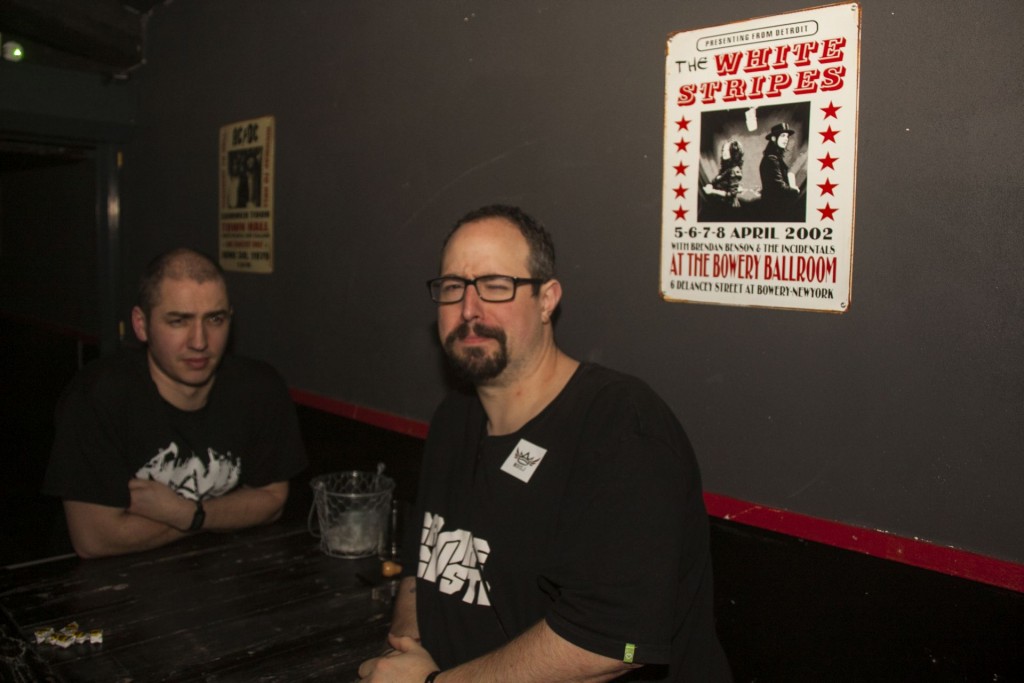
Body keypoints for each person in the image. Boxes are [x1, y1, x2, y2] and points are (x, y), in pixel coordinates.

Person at [359, 206, 731, 682]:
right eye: (453, 287)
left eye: (496, 285)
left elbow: (607, 645)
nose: (469, 309)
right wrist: (405, 649)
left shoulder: (621, 425)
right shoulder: (454, 417)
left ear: (546, 299)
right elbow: (424, 566)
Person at [43, 248, 307, 559]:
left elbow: (272, 502)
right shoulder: (98, 395)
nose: (199, 341)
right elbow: (95, 539)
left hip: (230, 574)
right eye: (179, 321)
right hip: (119, 585)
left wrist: (186, 513)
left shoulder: (259, 387)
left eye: (215, 319)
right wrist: (229, 513)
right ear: (141, 325)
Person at [758, 122, 802, 221]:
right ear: (774, 138)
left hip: (775, 208)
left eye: (787, 136)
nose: (786, 139)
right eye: (782, 136)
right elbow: (778, 187)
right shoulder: (771, 159)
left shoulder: (775, 158)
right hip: (773, 210)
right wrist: (794, 190)